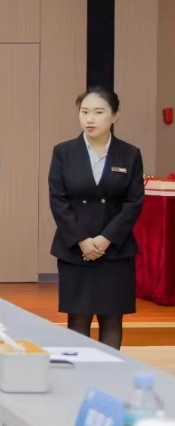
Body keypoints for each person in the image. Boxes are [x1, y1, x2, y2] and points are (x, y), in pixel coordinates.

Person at [48, 86, 144, 349]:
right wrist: (82, 240)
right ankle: (80, 374)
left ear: (115, 115)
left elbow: (134, 202)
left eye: (98, 112)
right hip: (75, 249)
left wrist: (105, 239)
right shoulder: (64, 152)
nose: (89, 119)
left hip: (115, 250)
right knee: (77, 320)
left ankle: (110, 372)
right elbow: (58, 200)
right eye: (84, 112)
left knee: (112, 319)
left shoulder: (129, 153)